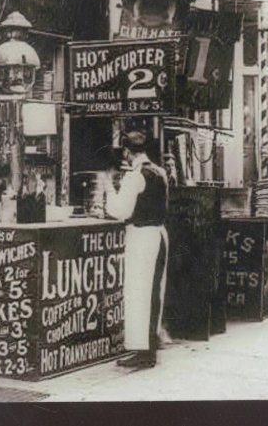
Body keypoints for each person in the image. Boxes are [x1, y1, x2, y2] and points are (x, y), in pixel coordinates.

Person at [101, 130, 169, 370]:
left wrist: (108, 186)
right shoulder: (160, 172)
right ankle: (150, 346)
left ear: (128, 152)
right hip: (159, 234)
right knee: (153, 292)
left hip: (141, 238)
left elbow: (120, 211)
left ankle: (142, 352)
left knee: (139, 293)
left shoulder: (135, 176)